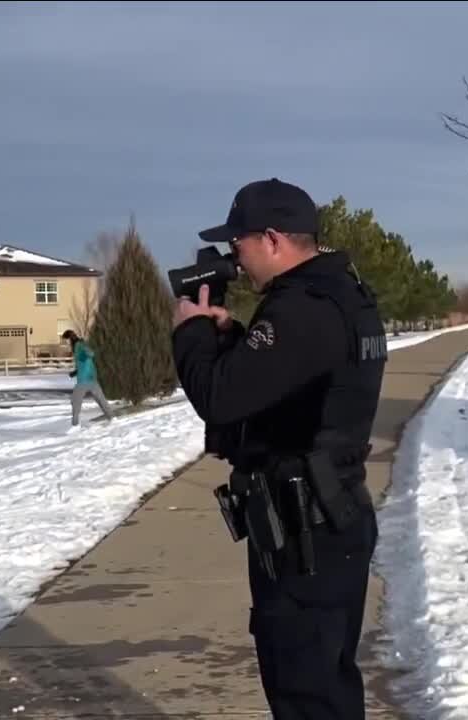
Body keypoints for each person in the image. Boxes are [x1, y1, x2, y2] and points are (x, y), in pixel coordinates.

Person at [170, 178, 389, 719]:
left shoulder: (302, 307)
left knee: (306, 695)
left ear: (271, 239)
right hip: (326, 520)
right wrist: (230, 333)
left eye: (238, 243)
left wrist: (191, 333)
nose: (234, 259)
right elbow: (282, 385)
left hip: (305, 534)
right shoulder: (338, 293)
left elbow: (221, 398)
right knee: (326, 690)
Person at [62, 329, 114, 428]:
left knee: (75, 400)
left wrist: (88, 352)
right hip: (90, 377)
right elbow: (83, 362)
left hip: (84, 380)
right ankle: (112, 418)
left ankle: (75, 425)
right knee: (101, 400)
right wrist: (75, 372)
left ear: (70, 338)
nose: (65, 343)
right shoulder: (78, 346)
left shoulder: (79, 345)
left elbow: (90, 354)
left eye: (66, 340)